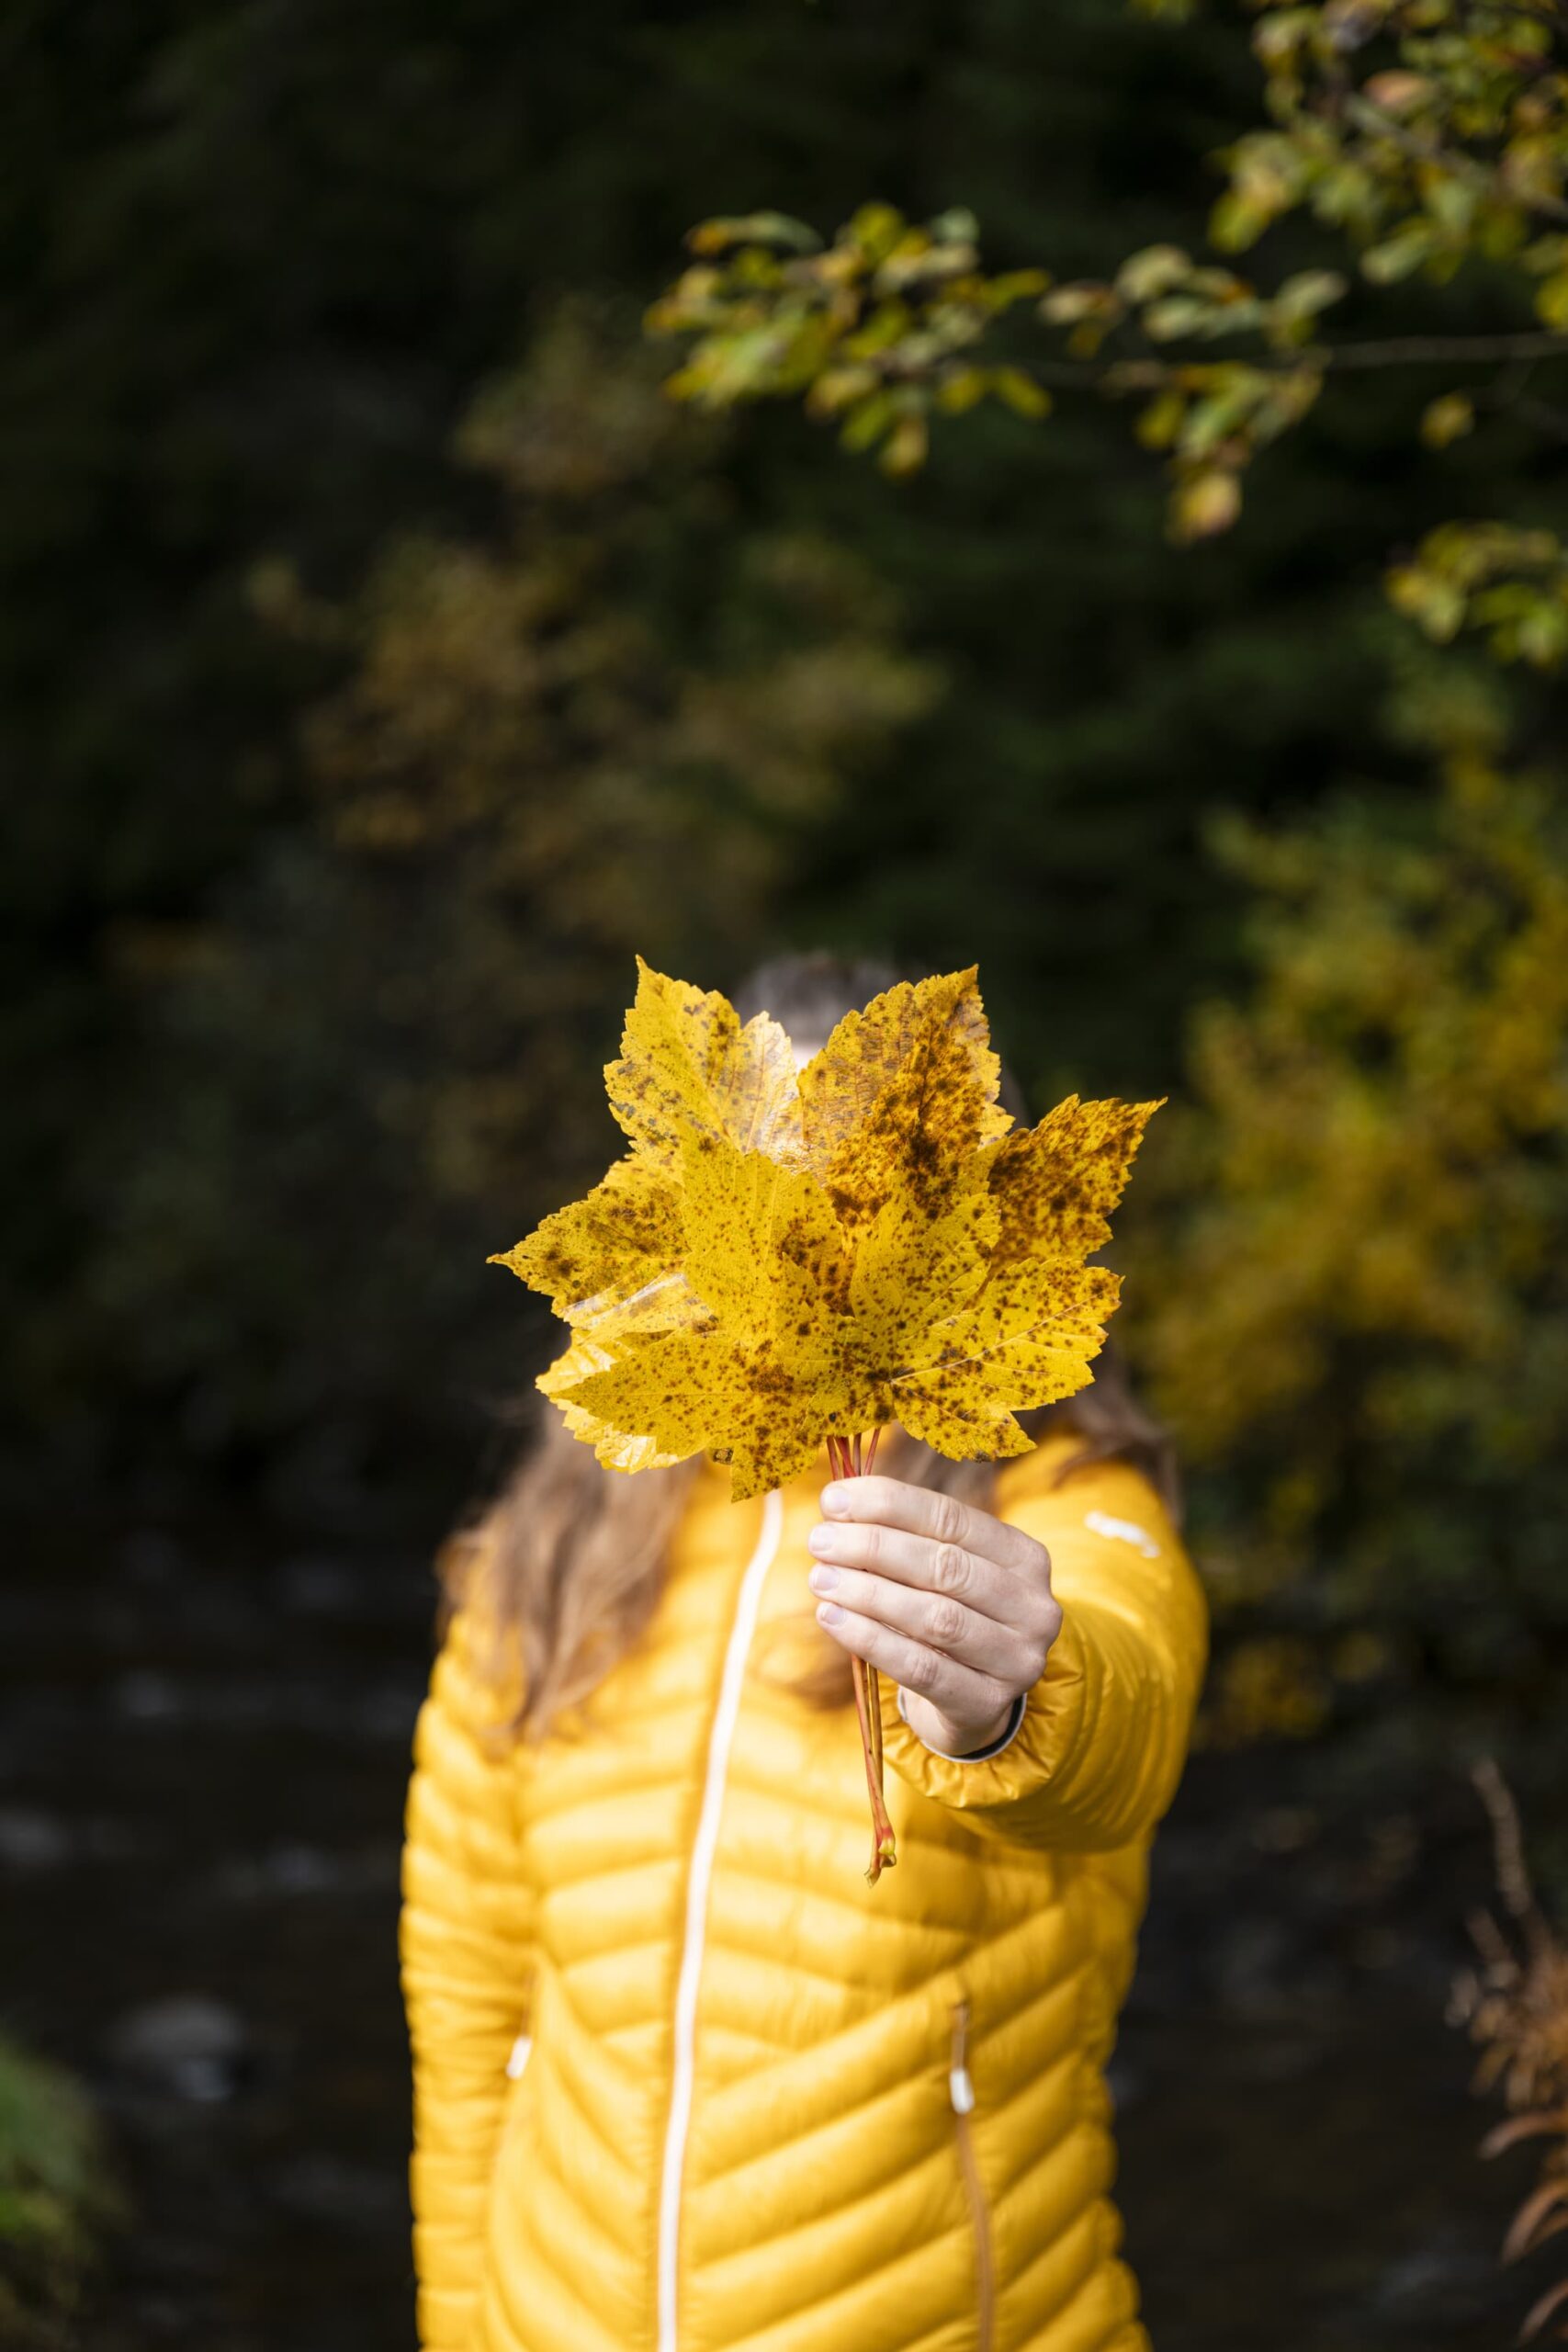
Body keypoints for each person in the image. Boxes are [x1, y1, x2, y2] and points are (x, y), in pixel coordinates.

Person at [400, 953, 1208, 2352]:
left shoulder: (1059, 1505)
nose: (818, 1265)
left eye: (878, 1213)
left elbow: (1124, 1691)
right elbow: (471, 2024)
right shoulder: (543, 1563)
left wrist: (1011, 1696)